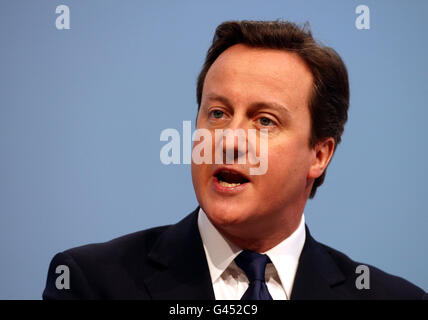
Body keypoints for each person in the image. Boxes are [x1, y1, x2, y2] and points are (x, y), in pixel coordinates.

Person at [43, 20, 426, 300]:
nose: (228, 140)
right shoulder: (92, 284)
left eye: (264, 120)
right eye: (217, 114)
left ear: (319, 155)